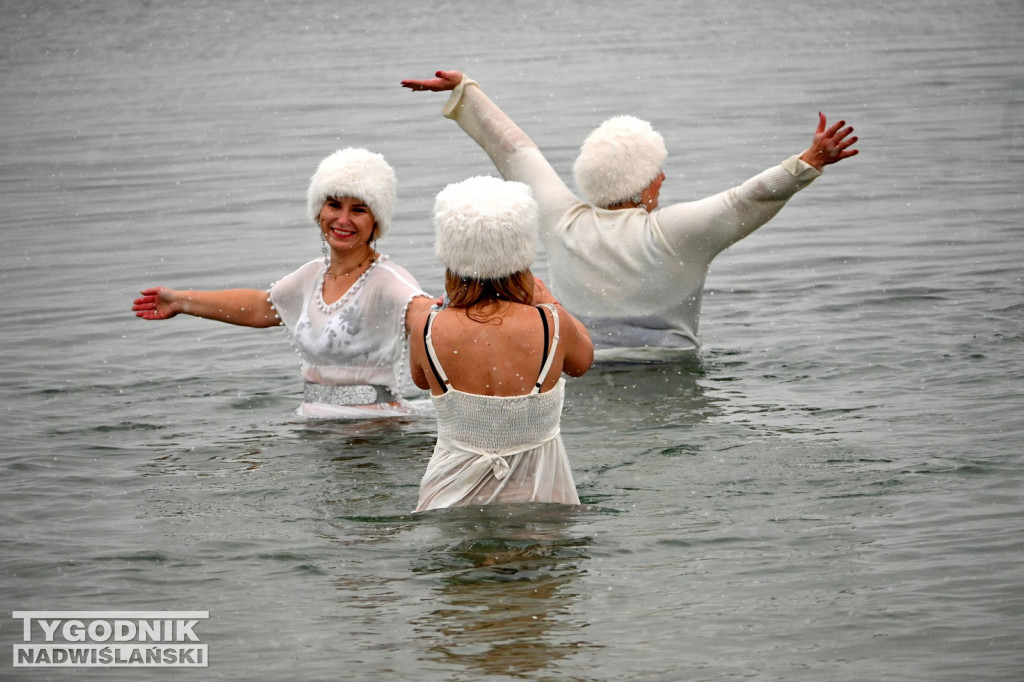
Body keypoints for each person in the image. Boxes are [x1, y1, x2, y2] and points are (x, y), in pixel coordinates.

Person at [401, 70, 859, 361]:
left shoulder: (562, 221)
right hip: (671, 377)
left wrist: (467, 93)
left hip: (583, 375)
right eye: (658, 173)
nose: (663, 179)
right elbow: (747, 199)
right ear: (644, 183)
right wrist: (807, 163)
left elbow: (515, 151)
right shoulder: (678, 233)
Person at [132, 147, 433, 419]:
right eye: (334, 205)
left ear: (376, 222)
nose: (342, 219)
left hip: (372, 435)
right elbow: (260, 308)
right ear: (318, 211)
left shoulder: (386, 280)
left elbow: (430, 317)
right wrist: (180, 301)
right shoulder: (311, 276)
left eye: (358, 210)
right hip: (316, 426)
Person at [409, 175, 594, 512]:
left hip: (450, 495)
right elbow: (582, 362)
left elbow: (421, 380)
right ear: (520, 257)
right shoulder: (550, 322)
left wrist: (446, 308)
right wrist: (551, 301)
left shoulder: (427, 327)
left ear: (452, 259)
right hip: (538, 493)